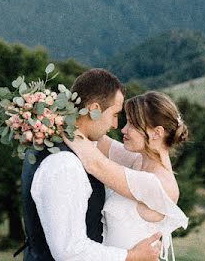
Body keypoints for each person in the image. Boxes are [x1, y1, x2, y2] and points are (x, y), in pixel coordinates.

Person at [20, 68, 161, 261]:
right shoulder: (65, 165)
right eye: (114, 114)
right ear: (94, 110)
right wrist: (131, 256)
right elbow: (69, 251)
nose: (114, 125)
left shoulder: (47, 141)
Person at [65, 91, 189, 261]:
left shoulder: (161, 184)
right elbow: (97, 139)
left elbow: (95, 163)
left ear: (157, 133)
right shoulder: (138, 161)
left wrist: (56, 123)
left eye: (132, 124)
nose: (123, 129)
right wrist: (62, 113)